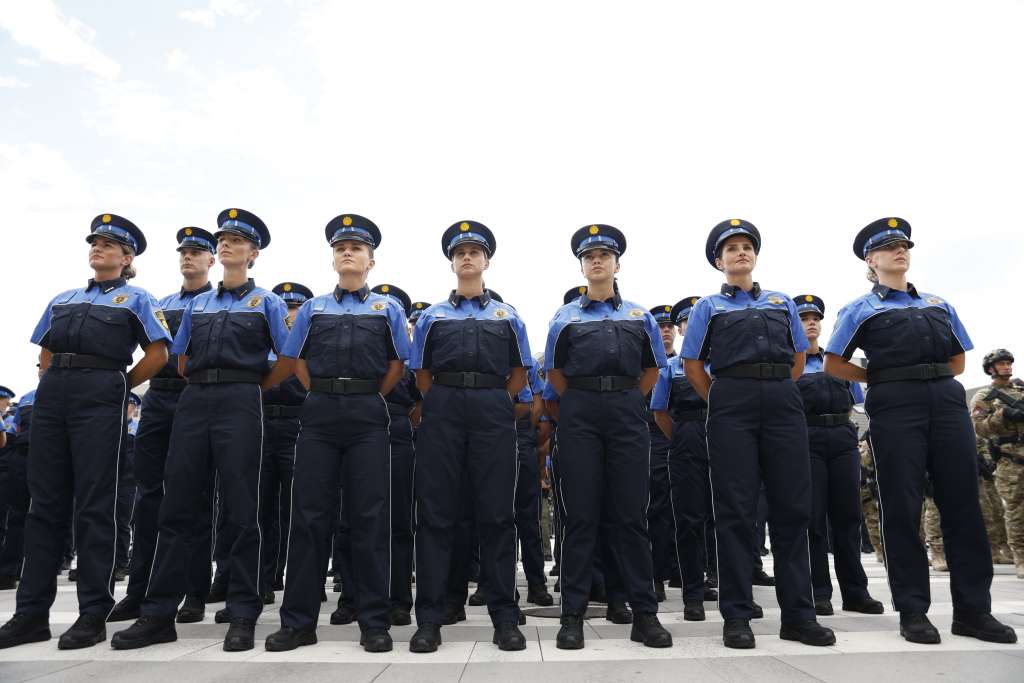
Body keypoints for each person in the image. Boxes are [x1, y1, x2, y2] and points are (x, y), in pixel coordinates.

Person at [824, 217, 1017, 644]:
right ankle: (913, 609)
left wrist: (929, 383)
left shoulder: (937, 303)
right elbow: (834, 362)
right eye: (890, 247)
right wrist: (884, 380)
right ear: (871, 260)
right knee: (901, 505)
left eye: (904, 245)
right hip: (895, 405)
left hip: (946, 401)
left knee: (963, 505)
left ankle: (973, 610)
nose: (900, 251)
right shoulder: (861, 308)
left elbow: (958, 361)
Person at [112, 208, 289, 652]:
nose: (226, 244)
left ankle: (243, 612)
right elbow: (182, 359)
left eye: (236, 240)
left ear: (253, 253)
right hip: (194, 402)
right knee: (177, 507)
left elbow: (286, 361)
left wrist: (249, 386)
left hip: (241, 402)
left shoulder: (265, 302)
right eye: (223, 239)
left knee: (241, 509)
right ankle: (159, 614)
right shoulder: (199, 304)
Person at [0, 214, 170, 650]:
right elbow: (46, 349)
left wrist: (121, 387)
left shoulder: (137, 299)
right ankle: (31, 614)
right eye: (95, 243)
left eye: (109, 245)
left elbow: (158, 353)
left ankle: (93, 613)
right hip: (55, 395)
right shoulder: (64, 298)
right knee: (44, 505)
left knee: (96, 506)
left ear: (127, 257)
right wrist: (52, 383)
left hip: (102, 392)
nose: (98, 249)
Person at [682, 219, 834, 650]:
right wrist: (724, 399)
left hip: (782, 402)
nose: (740, 252)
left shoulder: (780, 301)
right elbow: (693, 365)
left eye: (746, 246)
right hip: (732, 402)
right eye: (731, 248)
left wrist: (775, 390)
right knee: (735, 510)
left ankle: (799, 616)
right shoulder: (708, 307)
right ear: (719, 260)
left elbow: (798, 358)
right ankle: (737, 615)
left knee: (792, 509)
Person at [264, 214, 410, 653]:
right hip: (320, 414)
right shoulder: (313, 308)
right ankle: (299, 622)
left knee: (370, 518)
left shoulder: (388, 309)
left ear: (371, 261)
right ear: (333, 260)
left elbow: (397, 365)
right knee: (308, 517)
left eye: (356, 248)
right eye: (340, 247)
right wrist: (325, 393)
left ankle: (373, 622)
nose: (347, 252)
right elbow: (297, 363)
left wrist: (365, 394)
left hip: (368, 413)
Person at [544, 224, 672, 650]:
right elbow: (555, 374)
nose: (597, 261)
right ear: (581, 266)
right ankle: (573, 617)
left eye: (604, 255)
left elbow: (653, 368)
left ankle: (644, 614)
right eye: (589, 256)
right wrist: (585, 400)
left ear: (617, 263)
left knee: (632, 518)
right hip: (580, 413)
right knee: (580, 518)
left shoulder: (639, 316)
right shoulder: (565, 317)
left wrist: (623, 398)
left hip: (626, 413)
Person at [408, 220, 531, 653]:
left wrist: (491, 399)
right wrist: (447, 398)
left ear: (486, 261)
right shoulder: (431, 316)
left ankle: (504, 614)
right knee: (437, 516)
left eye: (474, 252)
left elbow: (519, 374)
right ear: (452, 262)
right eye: (459, 252)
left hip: (492, 410)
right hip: (442, 409)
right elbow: (421, 374)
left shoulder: (508, 315)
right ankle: (431, 617)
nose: (467, 257)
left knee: (497, 515)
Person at [109, 226, 218, 625]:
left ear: (211, 260)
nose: (188, 258)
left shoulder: (220, 301)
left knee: (196, 496)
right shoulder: (161, 302)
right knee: (149, 496)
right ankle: (139, 590)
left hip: (198, 397)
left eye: (196, 253)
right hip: (160, 397)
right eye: (183, 252)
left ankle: (194, 590)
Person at [793, 294, 883, 617]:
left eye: (815, 317)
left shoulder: (838, 362)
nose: (811, 323)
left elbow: (857, 407)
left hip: (843, 441)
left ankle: (855, 593)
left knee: (848, 519)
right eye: (803, 319)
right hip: (808, 441)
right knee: (814, 521)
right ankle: (819, 592)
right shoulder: (793, 365)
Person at [651, 295, 711, 621]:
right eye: (686, 321)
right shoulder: (671, 368)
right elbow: (660, 411)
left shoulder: (726, 363)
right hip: (685, 438)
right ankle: (692, 593)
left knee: (731, 518)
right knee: (686, 519)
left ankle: (731, 585)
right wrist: (683, 438)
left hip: (726, 436)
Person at [370, 283, 422, 625]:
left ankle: (400, 599)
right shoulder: (368, 345)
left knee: (399, 519)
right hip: (362, 425)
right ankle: (355, 595)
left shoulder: (411, 353)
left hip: (399, 429)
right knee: (357, 518)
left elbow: (421, 396)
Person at [260, 281, 314, 597]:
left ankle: (301, 578)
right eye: (285, 308)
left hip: (297, 423)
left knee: (298, 507)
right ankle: (265, 579)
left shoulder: (310, 343)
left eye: (294, 308)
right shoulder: (263, 342)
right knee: (261, 506)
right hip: (263, 422)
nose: (289, 314)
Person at [970, 349, 1024, 579]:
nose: (1007, 367)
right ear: (991, 369)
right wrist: (1003, 416)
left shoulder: (1020, 390)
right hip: (1009, 461)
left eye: (1009, 363)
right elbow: (979, 428)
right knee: (1015, 511)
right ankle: (1020, 557)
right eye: (1002, 364)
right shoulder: (985, 396)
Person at [646, 304, 677, 602]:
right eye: (660, 327)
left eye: (670, 327)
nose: (666, 331)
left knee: (685, 508)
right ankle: (654, 575)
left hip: (681, 438)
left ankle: (681, 571)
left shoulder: (683, 363)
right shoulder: (647, 365)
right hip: (652, 439)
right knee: (654, 508)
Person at [113, 392, 142, 582]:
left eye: (130, 405)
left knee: (123, 523)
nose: (127, 408)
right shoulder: (112, 426)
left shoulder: (138, 427)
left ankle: (120, 563)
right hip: (110, 479)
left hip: (130, 482)